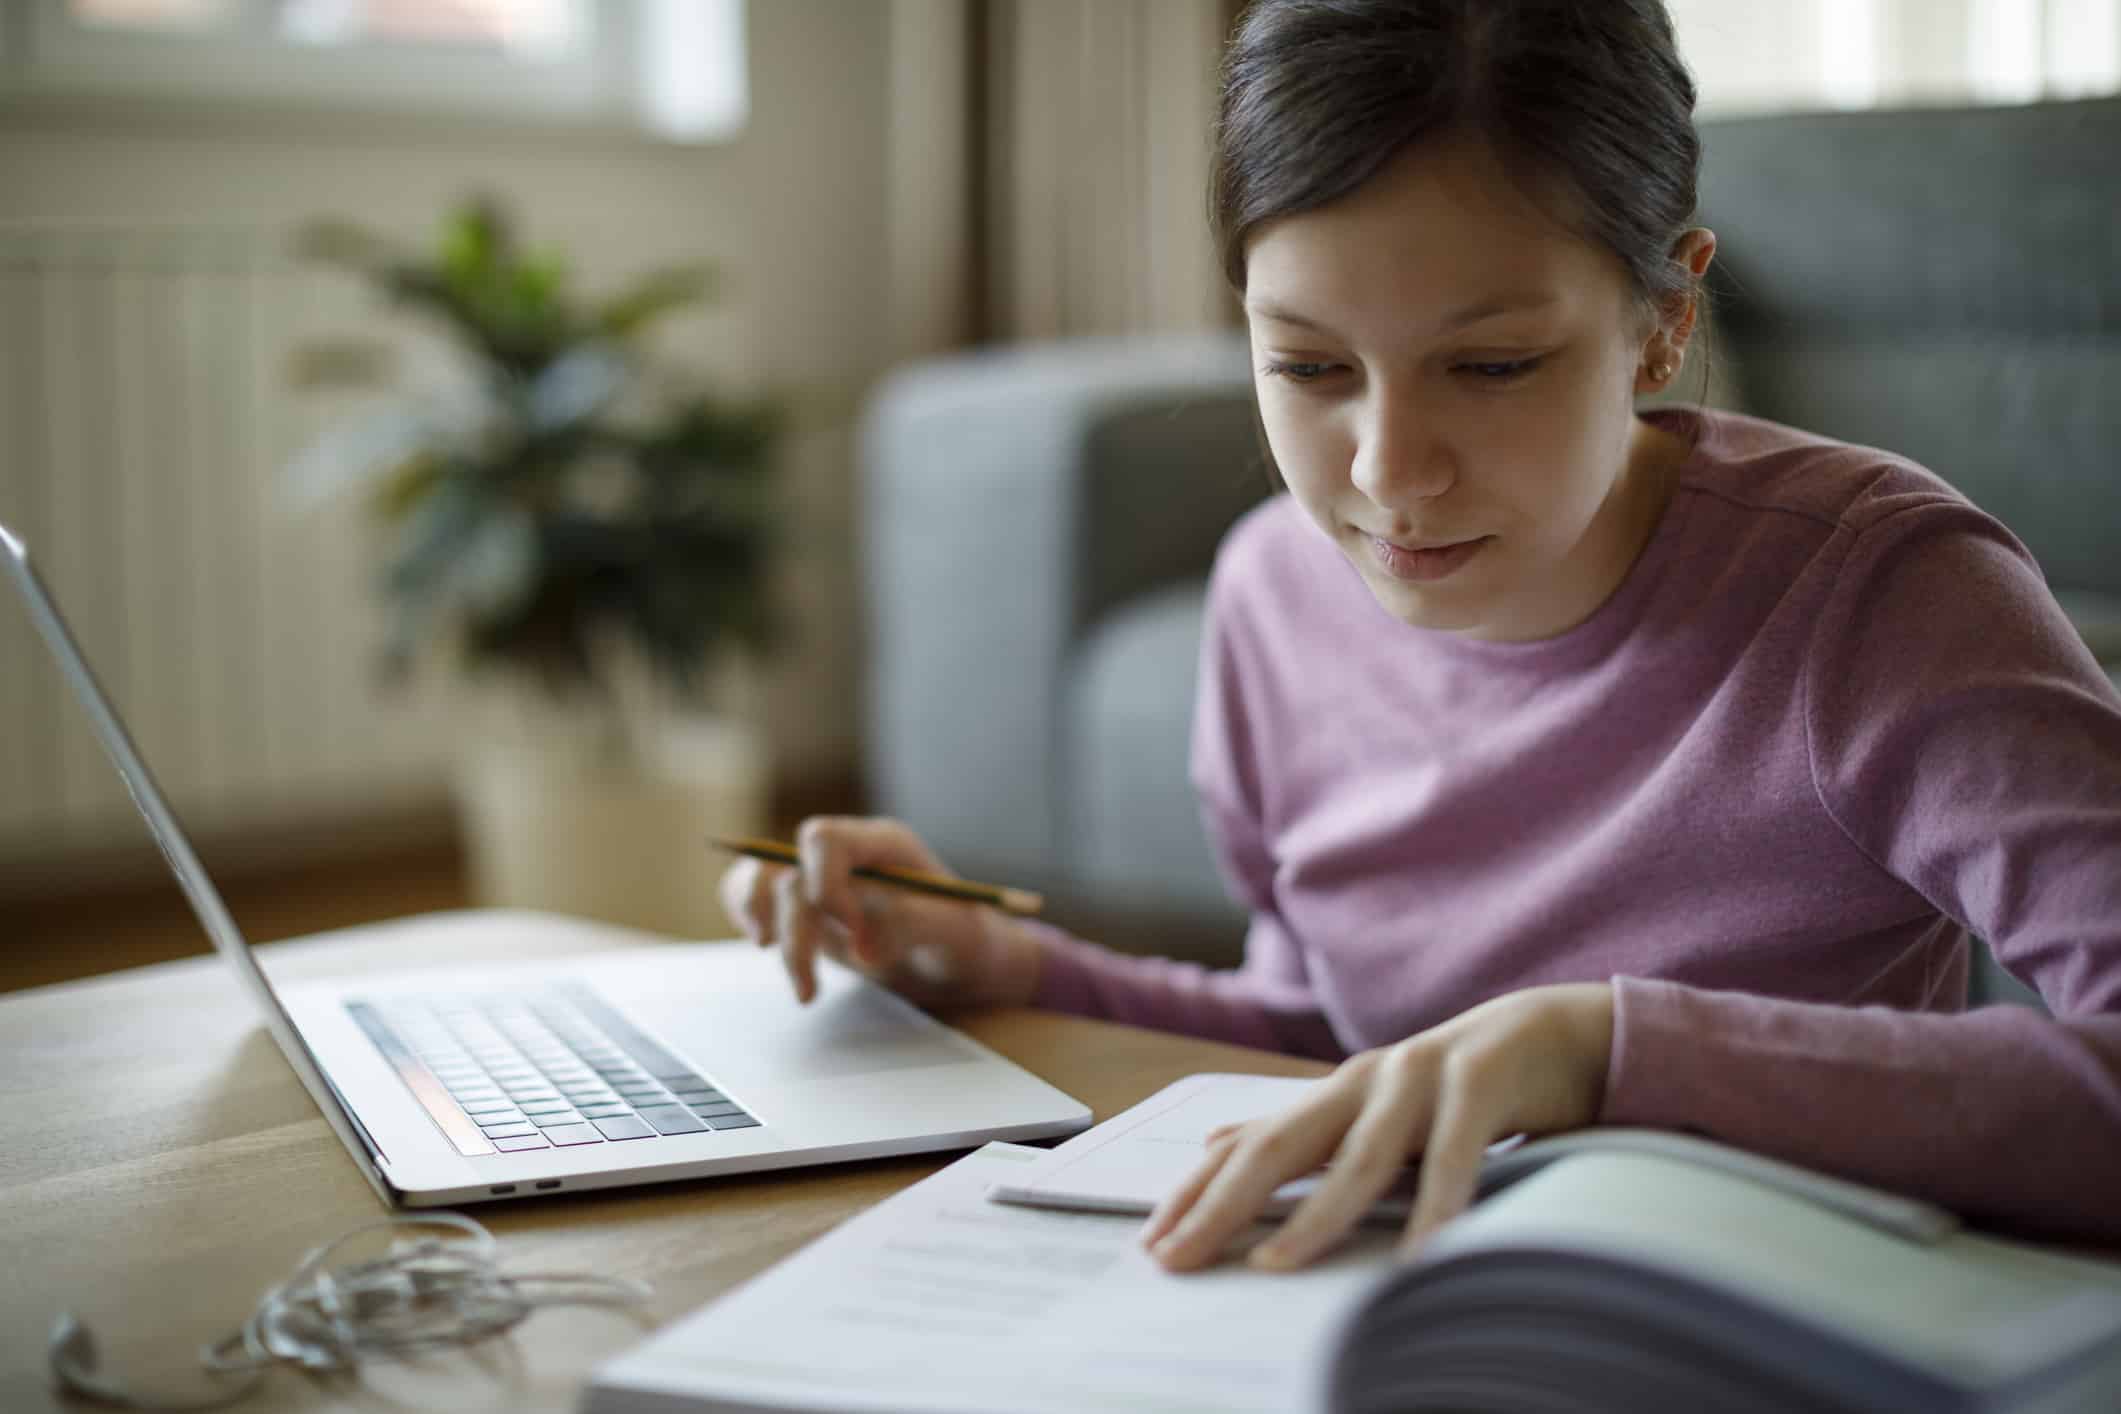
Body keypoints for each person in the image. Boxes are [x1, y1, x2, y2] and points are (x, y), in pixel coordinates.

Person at [719, 0, 2121, 1272]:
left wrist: (1606, 1050)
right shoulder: (1270, 592)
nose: (1388, 474)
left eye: (1491, 364)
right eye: (1309, 366)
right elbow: (1339, 1040)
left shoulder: (1877, 593)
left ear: (1663, 319)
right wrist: (1009, 967)